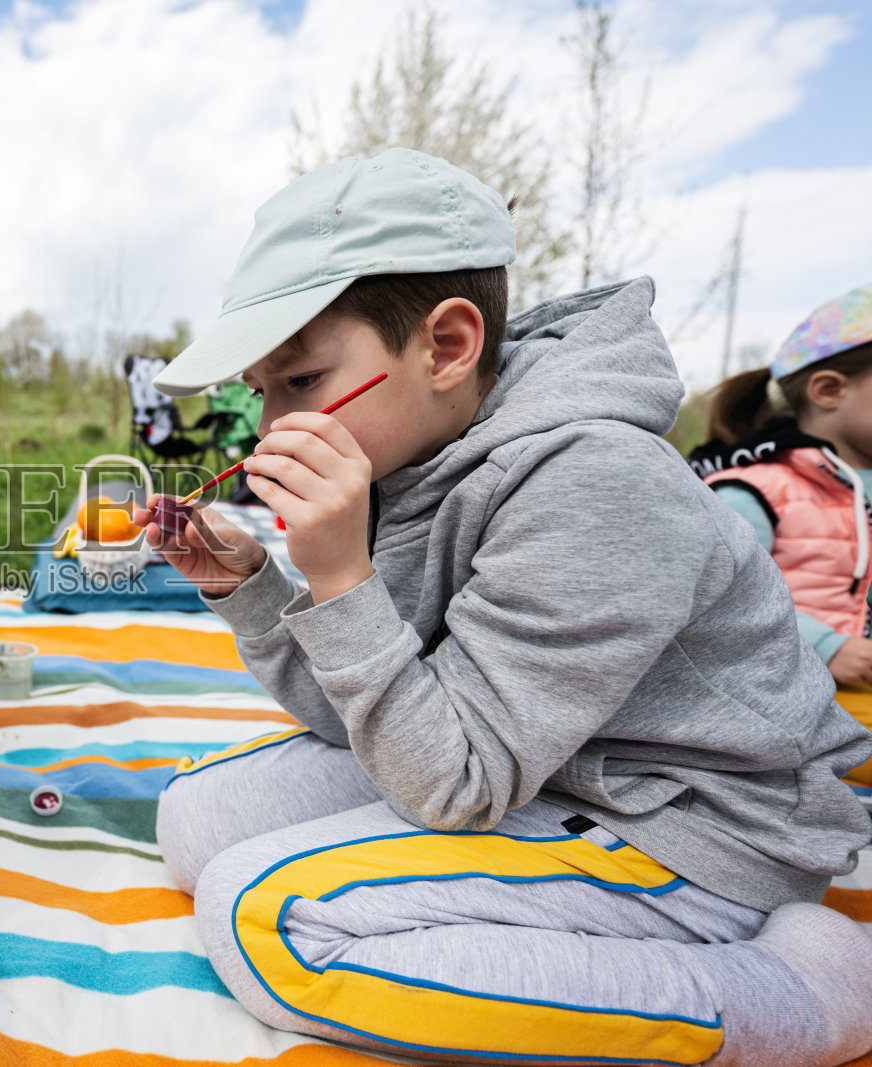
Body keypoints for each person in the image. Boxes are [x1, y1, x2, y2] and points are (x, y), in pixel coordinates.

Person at [133, 148, 872, 1067]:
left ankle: (799, 995)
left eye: (303, 380)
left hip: (689, 823)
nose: (272, 431)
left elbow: (453, 783)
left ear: (447, 345)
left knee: (264, 919)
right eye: (262, 394)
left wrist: (341, 580)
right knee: (192, 818)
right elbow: (366, 714)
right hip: (528, 762)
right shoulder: (415, 457)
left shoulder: (596, 479)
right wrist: (253, 588)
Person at [686, 287, 872, 784]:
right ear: (829, 389)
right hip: (795, 694)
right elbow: (716, 598)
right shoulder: (756, 488)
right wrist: (827, 645)